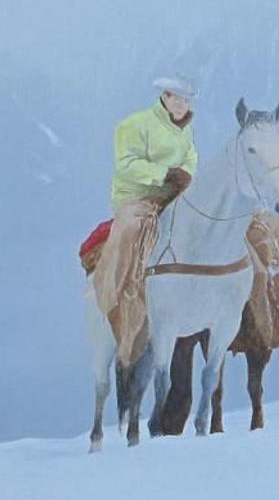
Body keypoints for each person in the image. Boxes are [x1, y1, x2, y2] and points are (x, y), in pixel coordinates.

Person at [93, 74, 199, 367]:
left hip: (173, 194)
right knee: (130, 229)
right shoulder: (134, 125)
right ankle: (123, 289)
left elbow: (191, 158)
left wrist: (186, 176)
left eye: (186, 100)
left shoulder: (185, 131)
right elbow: (126, 165)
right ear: (164, 97)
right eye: (177, 98)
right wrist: (164, 174)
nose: (182, 105)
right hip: (136, 197)